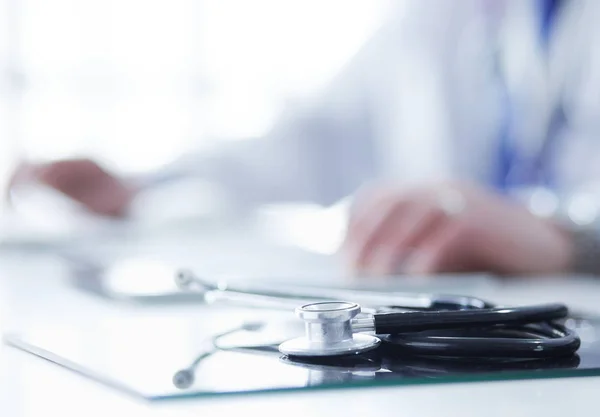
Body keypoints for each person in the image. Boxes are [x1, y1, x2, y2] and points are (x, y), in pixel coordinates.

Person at [7, 0, 600, 277]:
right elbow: (315, 140)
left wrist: (571, 242)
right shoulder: (442, 17)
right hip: (465, 323)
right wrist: (140, 186)